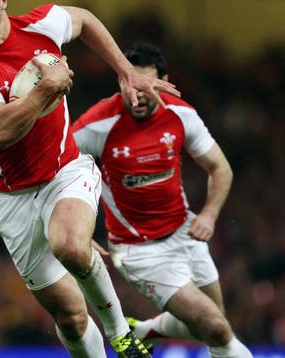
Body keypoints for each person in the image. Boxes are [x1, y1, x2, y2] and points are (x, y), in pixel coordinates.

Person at [0, 0, 180, 358]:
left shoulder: (41, 26)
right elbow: (1, 132)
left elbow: (86, 20)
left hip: (65, 172)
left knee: (71, 246)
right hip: (13, 200)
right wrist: (47, 88)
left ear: (3, 1)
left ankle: (122, 335)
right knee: (70, 318)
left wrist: (125, 73)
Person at [72, 41, 253, 358]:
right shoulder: (95, 126)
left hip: (186, 232)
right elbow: (58, 176)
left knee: (214, 324)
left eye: (146, 84)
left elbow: (220, 168)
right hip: (138, 250)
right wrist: (78, 233)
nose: (137, 93)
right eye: (128, 81)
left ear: (164, 81)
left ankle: (143, 330)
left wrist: (209, 215)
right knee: (217, 329)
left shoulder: (180, 114)